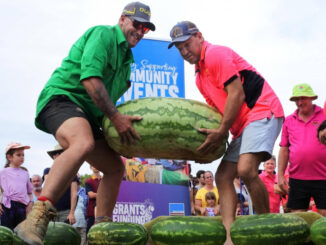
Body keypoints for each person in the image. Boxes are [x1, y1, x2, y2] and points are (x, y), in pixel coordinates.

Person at [14, 2, 156, 244]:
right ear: (122, 19)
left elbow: (107, 105)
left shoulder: (126, 65)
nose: (141, 31)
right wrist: (116, 119)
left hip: (89, 116)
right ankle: (35, 219)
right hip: (62, 98)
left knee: (114, 167)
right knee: (82, 142)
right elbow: (90, 80)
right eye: (137, 24)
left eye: (146, 29)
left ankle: (102, 229)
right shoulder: (103, 34)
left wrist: (123, 138)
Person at [168, 21, 284, 245]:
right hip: (242, 126)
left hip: (262, 110)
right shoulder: (200, 78)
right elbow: (218, 114)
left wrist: (221, 132)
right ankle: (229, 237)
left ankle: (266, 228)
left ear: (199, 36)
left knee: (246, 169)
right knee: (222, 176)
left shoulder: (215, 55)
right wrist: (197, 145)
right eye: (179, 48)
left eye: (187, 44)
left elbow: (236, 95)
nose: (184, 51)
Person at [278, 83, 326, 217]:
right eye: (296, 99)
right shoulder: (288, 121)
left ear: (311, 98)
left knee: (324, 215)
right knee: (297, 218)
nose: (300, 102)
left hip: (323, 176)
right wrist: (280, 176)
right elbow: (284, 149)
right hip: (297, 178)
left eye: (303, 98)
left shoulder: (324, 114)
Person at [0, 143, 33, 230]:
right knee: (7, 231)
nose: (22, 157)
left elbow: (30, 192)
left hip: (22, 207)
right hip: (7, 206)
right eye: (18, 155)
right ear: (9, 157)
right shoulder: (3, 172)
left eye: (23, 155)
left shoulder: (25, 173)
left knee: (20, 233)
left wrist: (30, 204)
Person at [43, 145, 78, 225]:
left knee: (65, 235)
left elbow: (74, 194)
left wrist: (72, 213)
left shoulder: (72, 172)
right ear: (54, 156)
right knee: (50, 235)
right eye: (58, 153)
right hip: (51, 211)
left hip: (66, 211)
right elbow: (49, 185)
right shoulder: (47, 171)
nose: (61, 155)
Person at [85, 166, 101, 233]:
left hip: (105, 209)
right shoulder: (88, 181)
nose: (96, 166)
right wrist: (104, 195)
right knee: (90, 232)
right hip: (92, 211)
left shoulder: (105, 179)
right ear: (91, 168)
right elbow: (91, 195)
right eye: (93, 165)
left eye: (97, 164)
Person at [72, 175, 88, 245]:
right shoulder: (69, 192)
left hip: (83, 221)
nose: (79, 179)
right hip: (72, 222)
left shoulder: (85, 191)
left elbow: (87, 205)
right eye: (77, 178)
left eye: (79, 178)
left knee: (83, 241)